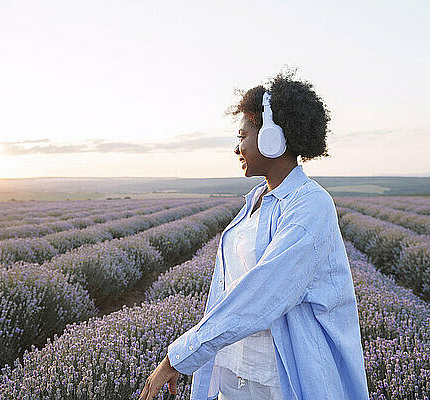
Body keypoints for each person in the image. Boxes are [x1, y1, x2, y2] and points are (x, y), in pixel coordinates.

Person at [139, 69, 369, 400]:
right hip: (234, 374)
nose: (237, 148)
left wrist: (179, 357)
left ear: (271, 138)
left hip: (280, 380)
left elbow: (265, 290)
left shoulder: (310, 206)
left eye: (242, 135)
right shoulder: (255, 202)